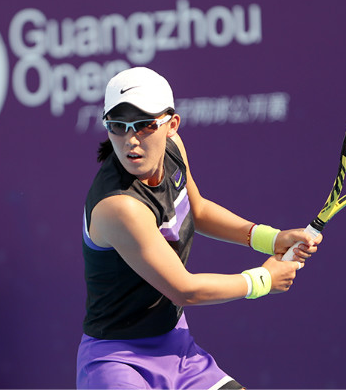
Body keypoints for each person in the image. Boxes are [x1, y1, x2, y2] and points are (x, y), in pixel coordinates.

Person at [77, 67, 322, 389]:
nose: (130, 140)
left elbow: (198, 209)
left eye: (145, 125)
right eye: (117, 126)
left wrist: (270, 238)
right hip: (118, 362)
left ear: (171, 125)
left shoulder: (173, 149)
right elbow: (184, 289)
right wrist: (263, 280)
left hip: (177, 348)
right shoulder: (120, 207)